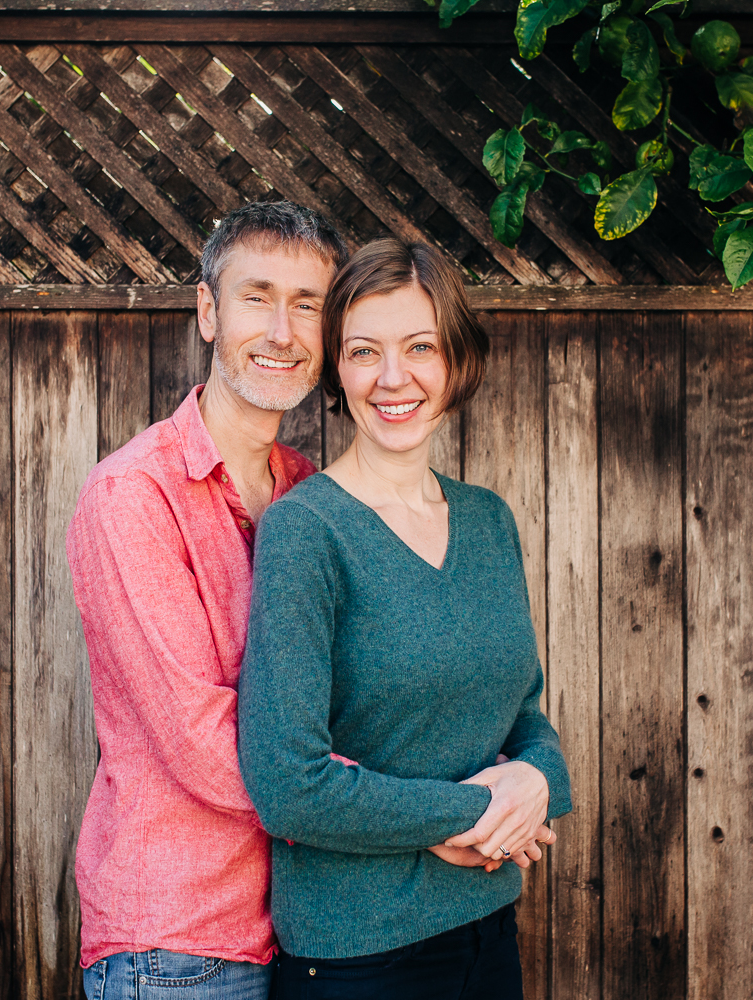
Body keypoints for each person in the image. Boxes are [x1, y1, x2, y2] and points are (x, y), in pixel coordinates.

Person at [237, 238, 572, 999]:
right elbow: (286, 783)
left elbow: (523, 714)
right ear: (336, 369)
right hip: (359, 955)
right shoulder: (306, 532)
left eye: (419, 346)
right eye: (364, 351)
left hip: (489, 931)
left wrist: (541, 782)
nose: (394, 379)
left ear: (455, 359)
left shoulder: (489, 522)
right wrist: (475, 812)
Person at [64, 201, 348, 1000]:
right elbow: (202, 740)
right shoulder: (134, 495)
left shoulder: (311, 495)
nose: (283, 331)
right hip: (179, 949)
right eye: (257, 296)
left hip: (301, 931)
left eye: (309, 305)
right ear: (207, 311)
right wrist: (409, 814)